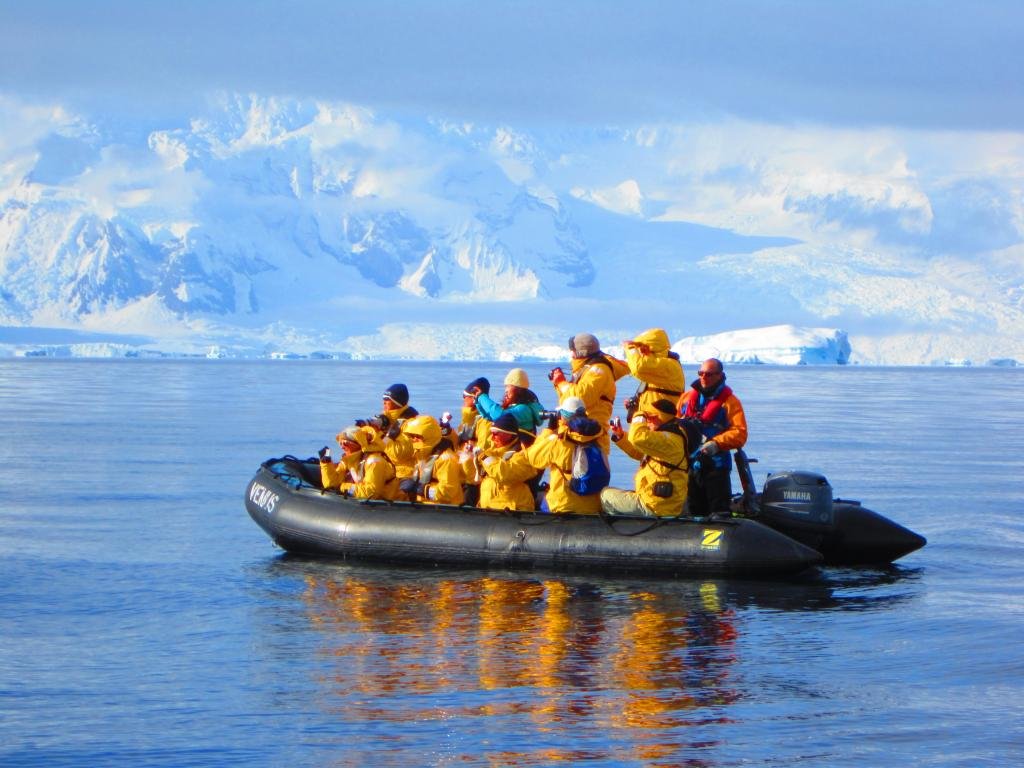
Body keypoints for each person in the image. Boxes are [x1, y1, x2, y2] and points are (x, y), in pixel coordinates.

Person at [485, 396, 607, 514]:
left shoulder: (558, 443)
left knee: (540, 502)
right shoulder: (598, 440)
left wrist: (549, 431)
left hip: (565, 505)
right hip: (593, 507)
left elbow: (530, 457)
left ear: (562, 417)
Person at [677, 358, 748, 517]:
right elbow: (675, 424)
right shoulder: (686, 399)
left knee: (719, 511)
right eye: (701, 373)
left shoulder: (730, 402)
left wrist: (716, 444)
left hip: (716, 466)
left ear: (719, 375)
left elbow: (740, 433)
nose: (703, 377)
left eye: (709, 374)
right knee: (692, 509)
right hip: (688, 465)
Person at [601, 399, 690, 517]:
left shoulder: (669, 439)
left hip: (655, 506)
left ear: (656, 417)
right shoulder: (670, 435)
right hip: (659, 501)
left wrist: (639, 414)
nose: (647, 423)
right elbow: (640, 454)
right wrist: (621, 437)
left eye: (649, 419)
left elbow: (636, 437)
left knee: (605, 495)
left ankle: (620, 530)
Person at [549, 333, 629, 452]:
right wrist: (559, 384)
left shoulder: (599, 370)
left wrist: (561, 383)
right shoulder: (586, 370)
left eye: (572, 349)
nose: (571, 353)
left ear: (580, 352)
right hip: (578, 434)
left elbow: (579, 398)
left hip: (591, 438)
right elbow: (569, 401)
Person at [398, 414, 466, 505]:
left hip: (446, 510)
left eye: (418, 436)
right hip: (425, 507)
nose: (414, 439)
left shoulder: (446, 459)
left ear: (428, 436)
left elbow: (448, 492)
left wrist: (421, 490)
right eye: (412, 436)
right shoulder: (421, 454)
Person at [474, 413, 537, 511]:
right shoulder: (492, 452)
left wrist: (484, 458)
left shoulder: (522, 455)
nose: (492, 437)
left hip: (514, 510)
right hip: (489, 507)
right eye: (491, 433)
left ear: (508, 434)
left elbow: (503, 474)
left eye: (496, 434)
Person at [621, 328, 685, 421]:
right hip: (652, 423)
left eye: (640, 346)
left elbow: (638, 368)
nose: (639, 351)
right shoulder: (655, 365)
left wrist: (630, 348)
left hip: (662, 424)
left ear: (652, 347)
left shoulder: (669, 365)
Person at [318, 425, 399, 500]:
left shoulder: (375, 461)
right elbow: (331, 484)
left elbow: (372, 493)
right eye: (340, 443)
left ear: (359, 443)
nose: (342, 447)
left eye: (345, 443)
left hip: (387, 503)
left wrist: (343, 487)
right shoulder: (348, 460)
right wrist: (326, 464)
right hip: (366, 502)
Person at [358, 383, 419, 480]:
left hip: (403, 475)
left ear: (397, 402)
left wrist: (378, 434)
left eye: (387, 399)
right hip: (386, 468)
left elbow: (399, 455)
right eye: (383, 399)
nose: (384, 402)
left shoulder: (410, 424)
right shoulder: (386, 419)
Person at [470, 368, 546, 436]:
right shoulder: (515, 407)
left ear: (518, 389)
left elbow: (500, 417)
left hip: (518, 450)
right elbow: (491, 418)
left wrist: (482, 397)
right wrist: (478, 401)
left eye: (508, 386)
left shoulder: (524, 409)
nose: (505, 390)